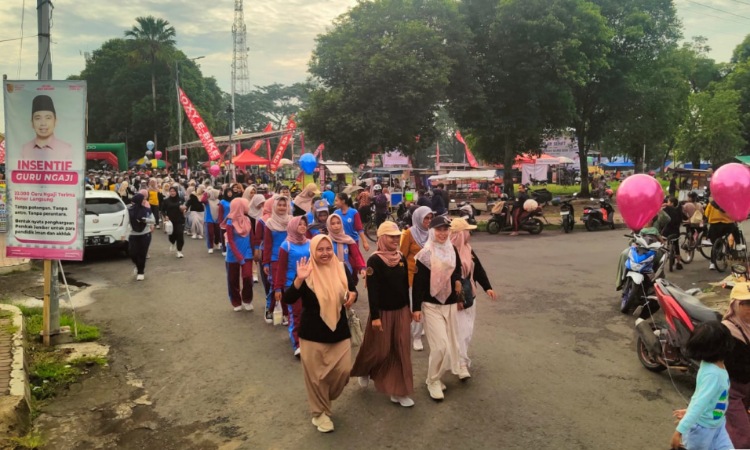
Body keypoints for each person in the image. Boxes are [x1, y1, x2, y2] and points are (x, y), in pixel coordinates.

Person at [282, 235, 358, 433]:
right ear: (313, 251)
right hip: (312, 334)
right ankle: (319, 414)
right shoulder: (307, 271)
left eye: (328, 249)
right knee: (316, 378)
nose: (325, 253)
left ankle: (324, 399)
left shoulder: (341, 268)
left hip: (339, 331)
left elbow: (353, 291)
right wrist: (299, 279)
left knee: (343, 372)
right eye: (320, 249)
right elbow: (289, 298)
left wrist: (352, 296)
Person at [351, 221, 415, 408]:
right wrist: (376, 317)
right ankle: (365, 369)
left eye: (397, 236)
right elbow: (373, 291)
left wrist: (408, 308)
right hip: (382, 313)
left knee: (400, 349)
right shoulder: (375, 261)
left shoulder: (401, 257)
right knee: (378, 349)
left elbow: (404, 286)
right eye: (391, 237)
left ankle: (398, 391)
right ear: (382, 238)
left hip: (401, 311)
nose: (395, 240)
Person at [412, 216, 463, 400]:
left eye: (445, 229)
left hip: (450, 303)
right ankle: (432, 381)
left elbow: (457, 270)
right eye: (438, 230)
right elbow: (418, 283)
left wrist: (457, 280)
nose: (442, 233)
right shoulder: (425, 254)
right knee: (440, 346)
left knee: (450, 346)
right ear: (432, 231)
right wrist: (416, 308)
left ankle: (437, 377)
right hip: (431, 304)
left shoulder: (452, 249)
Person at [670, 321, 734, 450]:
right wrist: (680, 430)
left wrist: (690, 412)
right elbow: (699, 402)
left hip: (718, 425)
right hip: (702, 430)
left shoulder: (716, 365)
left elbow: (706, 398)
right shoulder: (713, 374)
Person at [449, 218, 497, 378]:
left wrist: (487, 287)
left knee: (467, 330)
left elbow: (478, 270)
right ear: (460, 234)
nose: (470, 234)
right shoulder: (447, 253)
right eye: (467, 231)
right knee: (460, 332)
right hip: (455, 300)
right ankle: (461, 364)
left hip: (470, 296)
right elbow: (445, 280)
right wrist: (457, 299)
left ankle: (457, 359)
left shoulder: (468, 249)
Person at [275, 216, 311, 356]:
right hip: (292, 285)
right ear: (293, 227)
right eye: (299, 224)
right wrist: (278, 287)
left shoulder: (310, 243)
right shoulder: (286, 245)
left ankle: (309, 340)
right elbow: (281, 268)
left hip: (310, 284)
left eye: (304, 224)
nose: (302, 226)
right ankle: (297, 344)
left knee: (309, 313)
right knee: (296, 314)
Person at [399, 206, 433, 351]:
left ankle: (420, 327)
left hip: (430, 276)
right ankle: (416, 337)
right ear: (418, 218)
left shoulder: (433, 233)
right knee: (416, 306)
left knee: (427, 306)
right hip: (413, 276)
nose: (428, 221)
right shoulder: (409, 233)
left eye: (430, 218)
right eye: (426, 218)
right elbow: (402, 255)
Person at [722, 283, 750, 448]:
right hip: (731, 392)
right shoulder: (727, 331)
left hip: (746, 389)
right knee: (743, 436)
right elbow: (734, 367)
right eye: (746, 303)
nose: (749, 308)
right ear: (735, 305)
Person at [262, 196, 291, 324]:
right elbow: (267, 244)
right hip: (275, 258)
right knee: (275, 285)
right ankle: (269, 308)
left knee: (286, 285)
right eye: (279, 205)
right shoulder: (269, 223)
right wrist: (265, 262)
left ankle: (285, 313)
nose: (282, 207)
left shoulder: (291, 221)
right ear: (274, 206)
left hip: (289, 257)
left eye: (284, 205)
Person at [223, 198, 255, 312]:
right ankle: (236, 301)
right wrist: (238, 257)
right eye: (246, 205)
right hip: (233, 255)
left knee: (248, 277)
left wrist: (254, 251)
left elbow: (251, 236)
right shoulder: (230, 221)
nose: (248, 207)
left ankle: (247, 299)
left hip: (247, 253)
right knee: (233, 280)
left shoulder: (248, 219)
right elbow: (230, 241)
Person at [21, 95, 73, 160]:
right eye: (38, 118)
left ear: (55, 121)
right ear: (32, 123)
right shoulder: (25, 149)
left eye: (48, 118)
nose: (43, 123)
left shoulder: (67, 149)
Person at [326, 213, 366, 280]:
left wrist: (362, 268)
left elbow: (356, 256)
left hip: (347, 272)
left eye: (338, 223)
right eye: (333, 224)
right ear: (329, 226)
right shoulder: (326, 241)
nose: (336, 226)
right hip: (331, 274)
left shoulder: (348, 240)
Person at [705, 200, 740, 270]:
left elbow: (706, 214)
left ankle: (712, 263)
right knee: (736, 230)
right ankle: (739, 245)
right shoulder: (729, 203)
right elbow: (734, 213)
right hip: (727, 225)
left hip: (714, 226)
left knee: (715, 244)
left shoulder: (711, 204)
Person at [128, 193, 155, 281]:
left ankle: (141, 272)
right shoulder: (129, 211)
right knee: (132, 253)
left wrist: (145, 220)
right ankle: (137, 265)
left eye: (145, 199)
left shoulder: (147, 210)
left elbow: (153, 220)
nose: (144, 201)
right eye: (143, 199)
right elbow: (125, 222)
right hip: (133, 234)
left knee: (142, 253)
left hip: (145, 234)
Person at [162, 186, 187, 258]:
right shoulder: (166, 201)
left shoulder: (181, 199)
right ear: (169, 192)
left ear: (176, 192)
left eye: (174, 191)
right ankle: (172, 243)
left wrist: (184, 209)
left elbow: (185, 207)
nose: (172, 193)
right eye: (171, 191)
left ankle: (179, 251)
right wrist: (165, 216)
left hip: (180, 220)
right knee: (172, 235)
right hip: (170, 221)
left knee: (180, 234)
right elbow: (162, 210)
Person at [203, 188, 222, 254]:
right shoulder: (207, 201)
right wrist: (206, 193)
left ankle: (217, 243)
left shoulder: (219, 201)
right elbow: (202, 200)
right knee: (210, 233)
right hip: (209, 219)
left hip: (217, 219)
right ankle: (210, 247)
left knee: (218, 233)